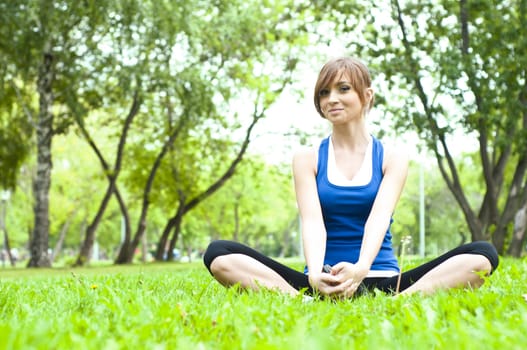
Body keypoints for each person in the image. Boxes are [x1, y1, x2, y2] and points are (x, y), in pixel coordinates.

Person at [203, 57, 499, 299]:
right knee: (219, 255)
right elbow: (313, 222)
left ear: (366, 96)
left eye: (343, 89)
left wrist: (359, 269)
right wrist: (316, 274)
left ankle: (400, 302)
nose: (332, 99)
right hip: (321, 282)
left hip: (382, 280)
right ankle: (304, 302)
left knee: (482, 255)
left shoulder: (391, 157)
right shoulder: (306, 158)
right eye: (324, 92)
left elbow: (378, 219)